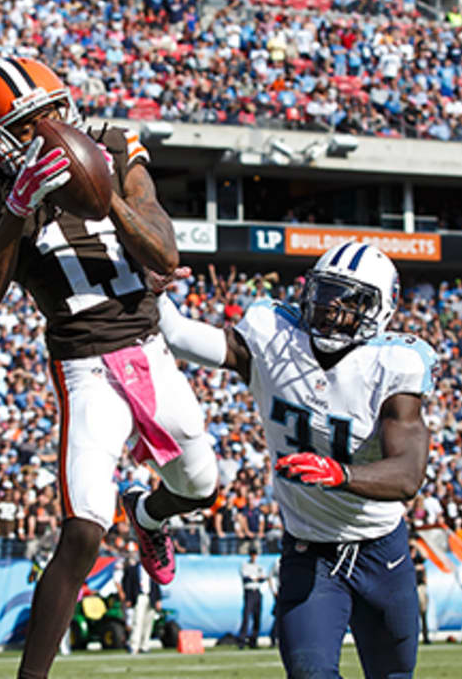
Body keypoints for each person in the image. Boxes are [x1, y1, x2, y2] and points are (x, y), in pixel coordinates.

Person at [0, 55, 219, 679]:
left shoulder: (116, 147)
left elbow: (164, 246)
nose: (46, 129)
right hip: (86, 369)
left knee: (202, 485)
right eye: (28, 122)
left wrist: (105, 195)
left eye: (51, 112)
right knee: (83, 531)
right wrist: (18, 204)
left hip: (150, 350)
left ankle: (148, 515)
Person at [153, 241, 435, 679]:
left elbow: (407, 474)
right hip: (310, 550)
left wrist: (341, 474)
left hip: (380, 550)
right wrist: (154, 295)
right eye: (326, 292)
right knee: (309, 674)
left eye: (350, 299)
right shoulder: (274, 337)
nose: (331, 307)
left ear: (381, 309)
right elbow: (180, 338)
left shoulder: (392, 365)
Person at [120, 549, 160, 655]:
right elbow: (127, 584)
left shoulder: (152, 570)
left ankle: (144, 645)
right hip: (140, 597)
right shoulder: (133, 569)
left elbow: (156, 584)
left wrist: (158, 599)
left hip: (150, 597)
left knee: (148, 622)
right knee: (137, 621)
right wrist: (128, 598)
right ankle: (134, 645)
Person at [239, 546, 267, 649]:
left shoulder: (259, 566)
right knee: (246, 616)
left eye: (255, 554)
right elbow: (246, 578)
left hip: (257, 592)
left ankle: (253, 641)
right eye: (252, 554)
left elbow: (263, 578)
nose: (254, 556)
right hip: (249, 592)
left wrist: (254, 578)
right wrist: (255, 578)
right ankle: (242, 640)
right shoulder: (245, 565)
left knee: (257, 617)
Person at [411, 541, 430, 645]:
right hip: (409, 588)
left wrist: (417, 544)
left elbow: (425, 555)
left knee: (423, 611)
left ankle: (425, 635)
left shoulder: (418, 558)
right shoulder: (405, 557)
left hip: (420, 586)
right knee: (411, 614)